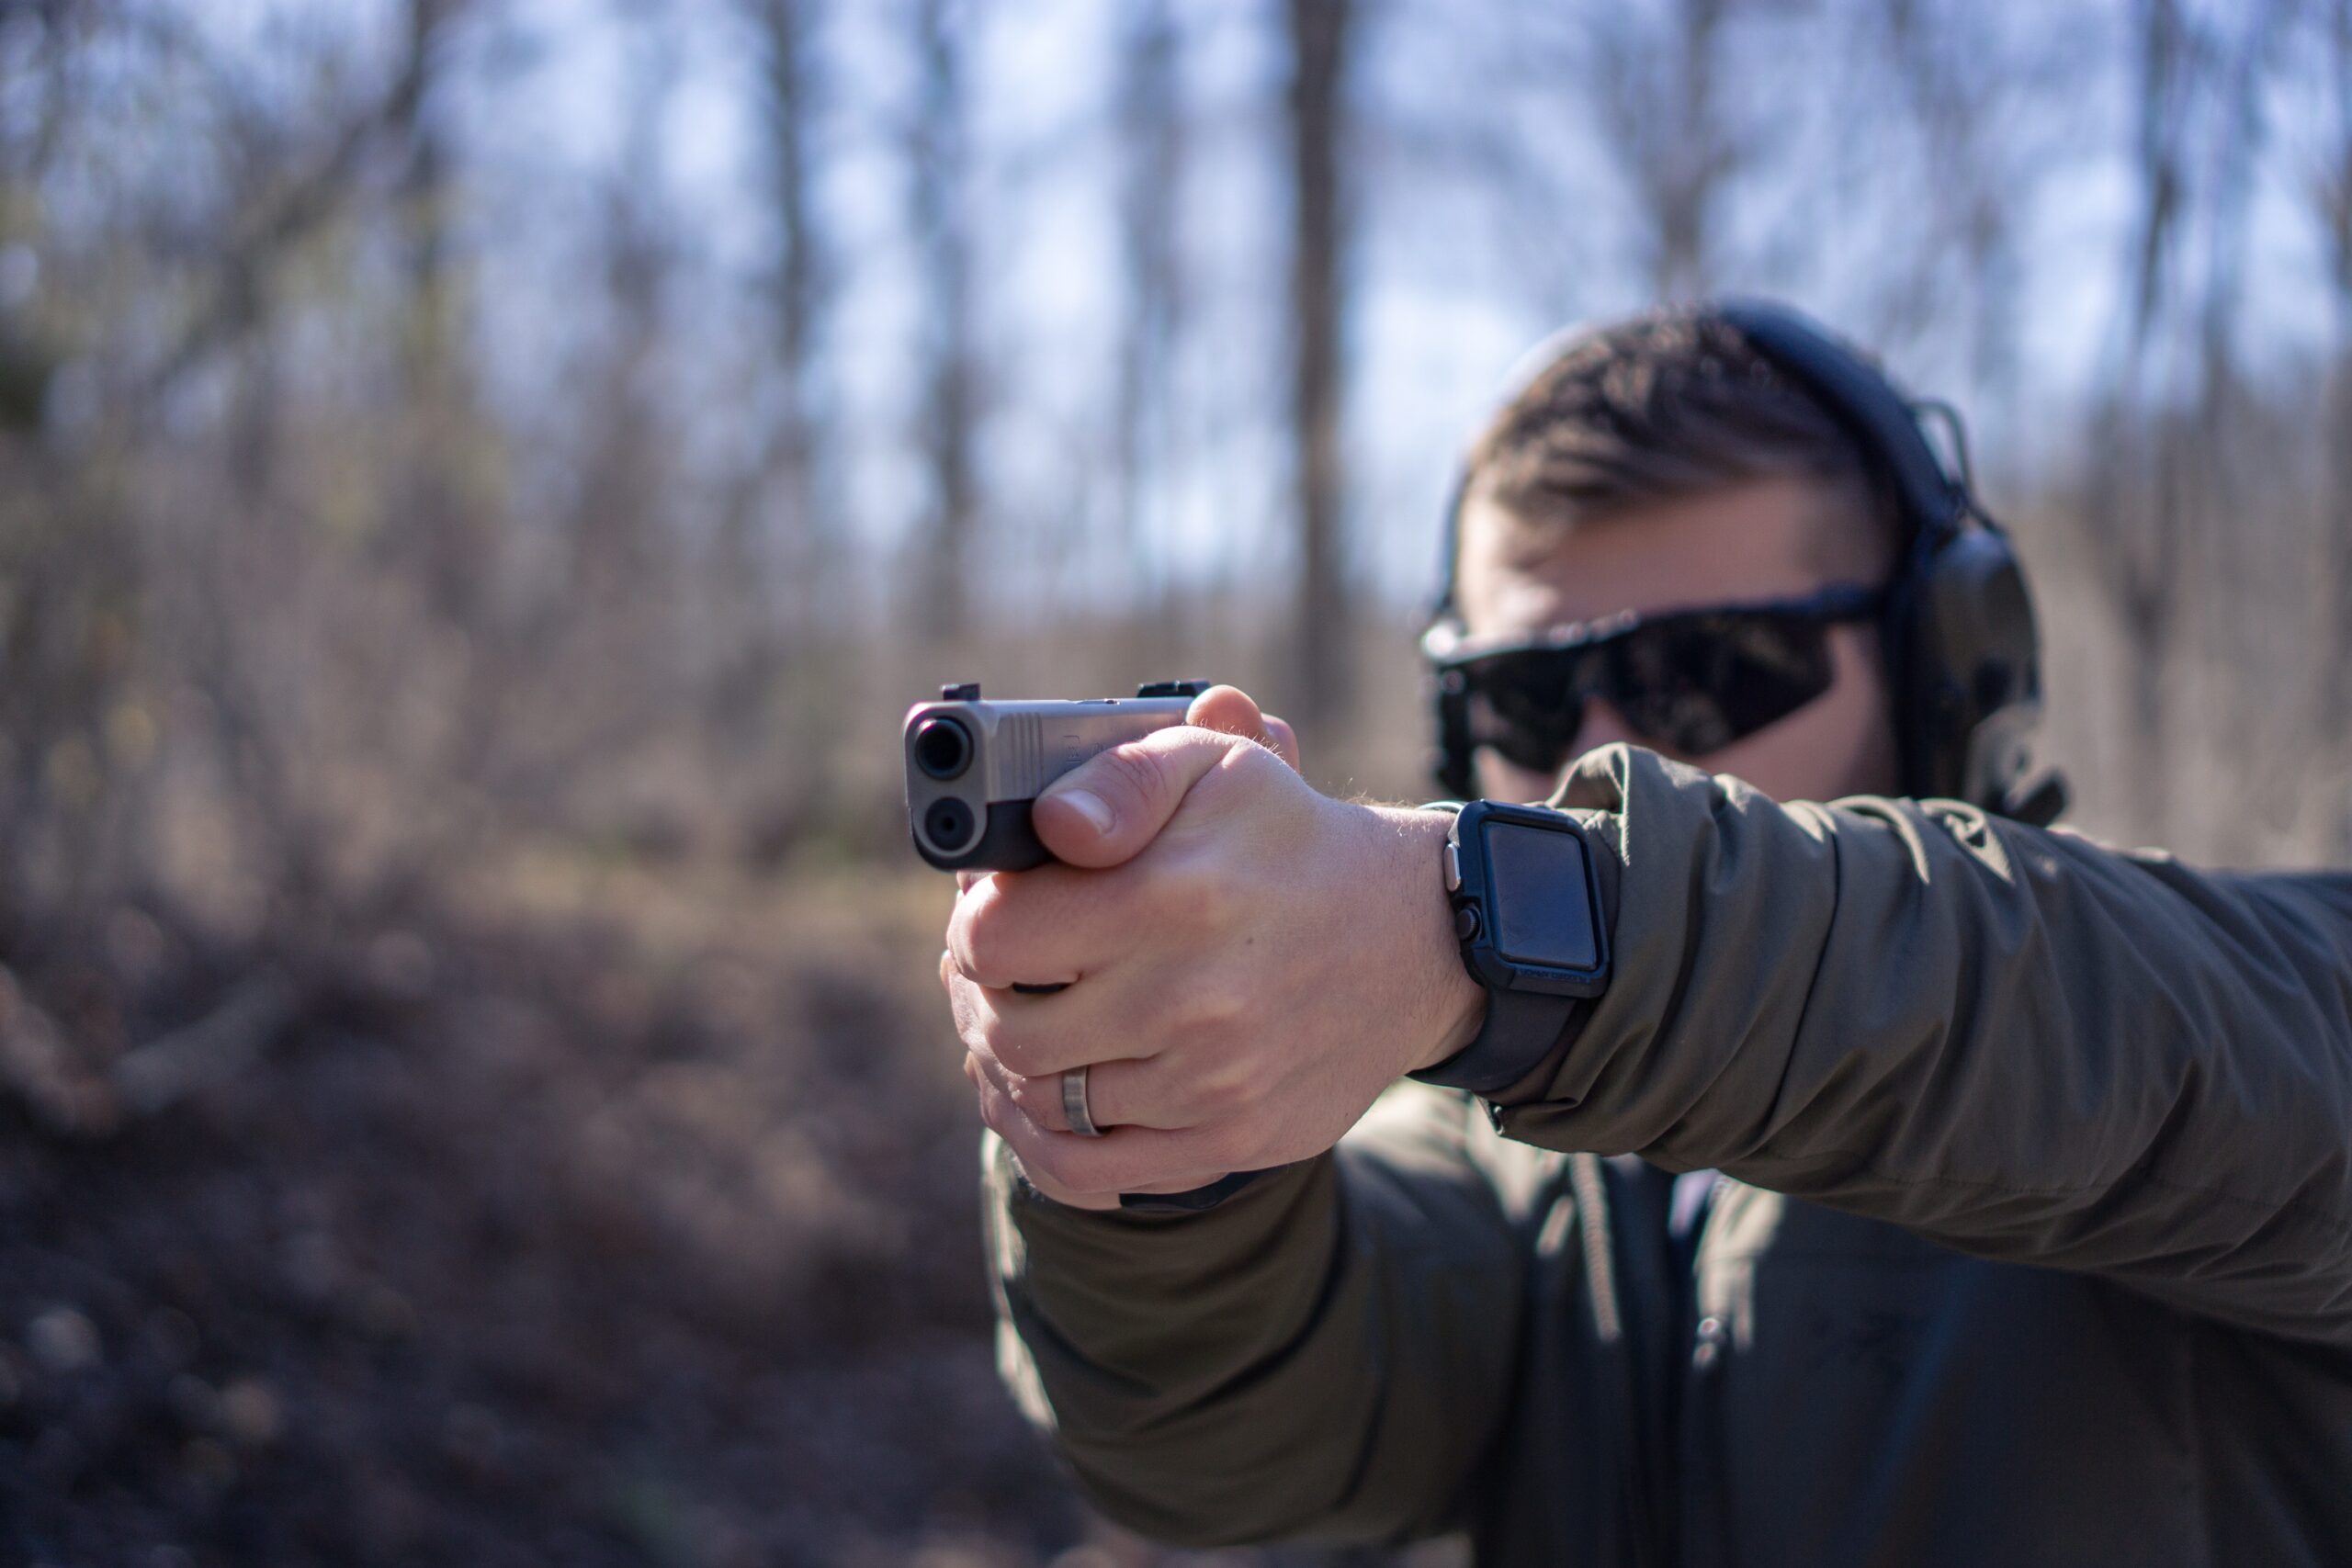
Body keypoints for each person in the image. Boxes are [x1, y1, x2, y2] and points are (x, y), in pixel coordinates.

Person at [937, 303, 2352, 1566]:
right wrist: (1163, 1128)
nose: (1602, 767)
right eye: (1527, 703)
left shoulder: (2222, 1032)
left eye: (1704, 676)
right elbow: (1223, 1451)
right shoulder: (1493, 1162)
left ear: (1943, 672)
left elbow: (2110, 1031)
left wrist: (1496, 929)